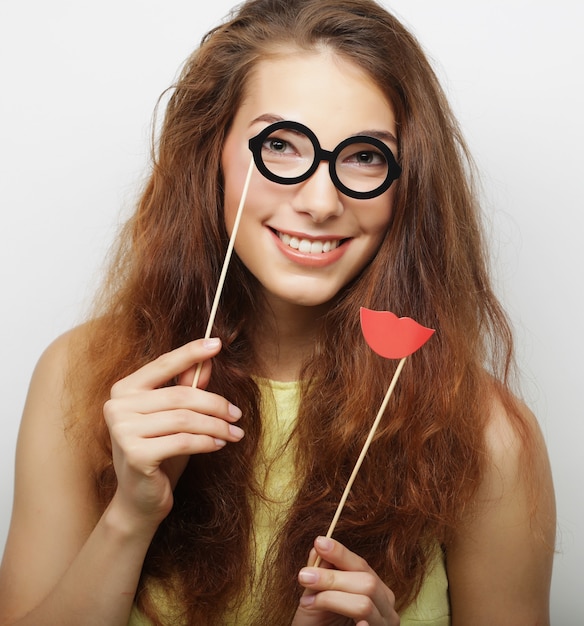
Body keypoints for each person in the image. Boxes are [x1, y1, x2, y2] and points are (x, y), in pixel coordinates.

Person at [0, 0, 556, 624]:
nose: (321, 201)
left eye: (366, 155)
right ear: (210, 151)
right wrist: (128, 518)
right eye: (281, 145)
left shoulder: (488, 436)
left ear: (410, 182)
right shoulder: (79, 380)